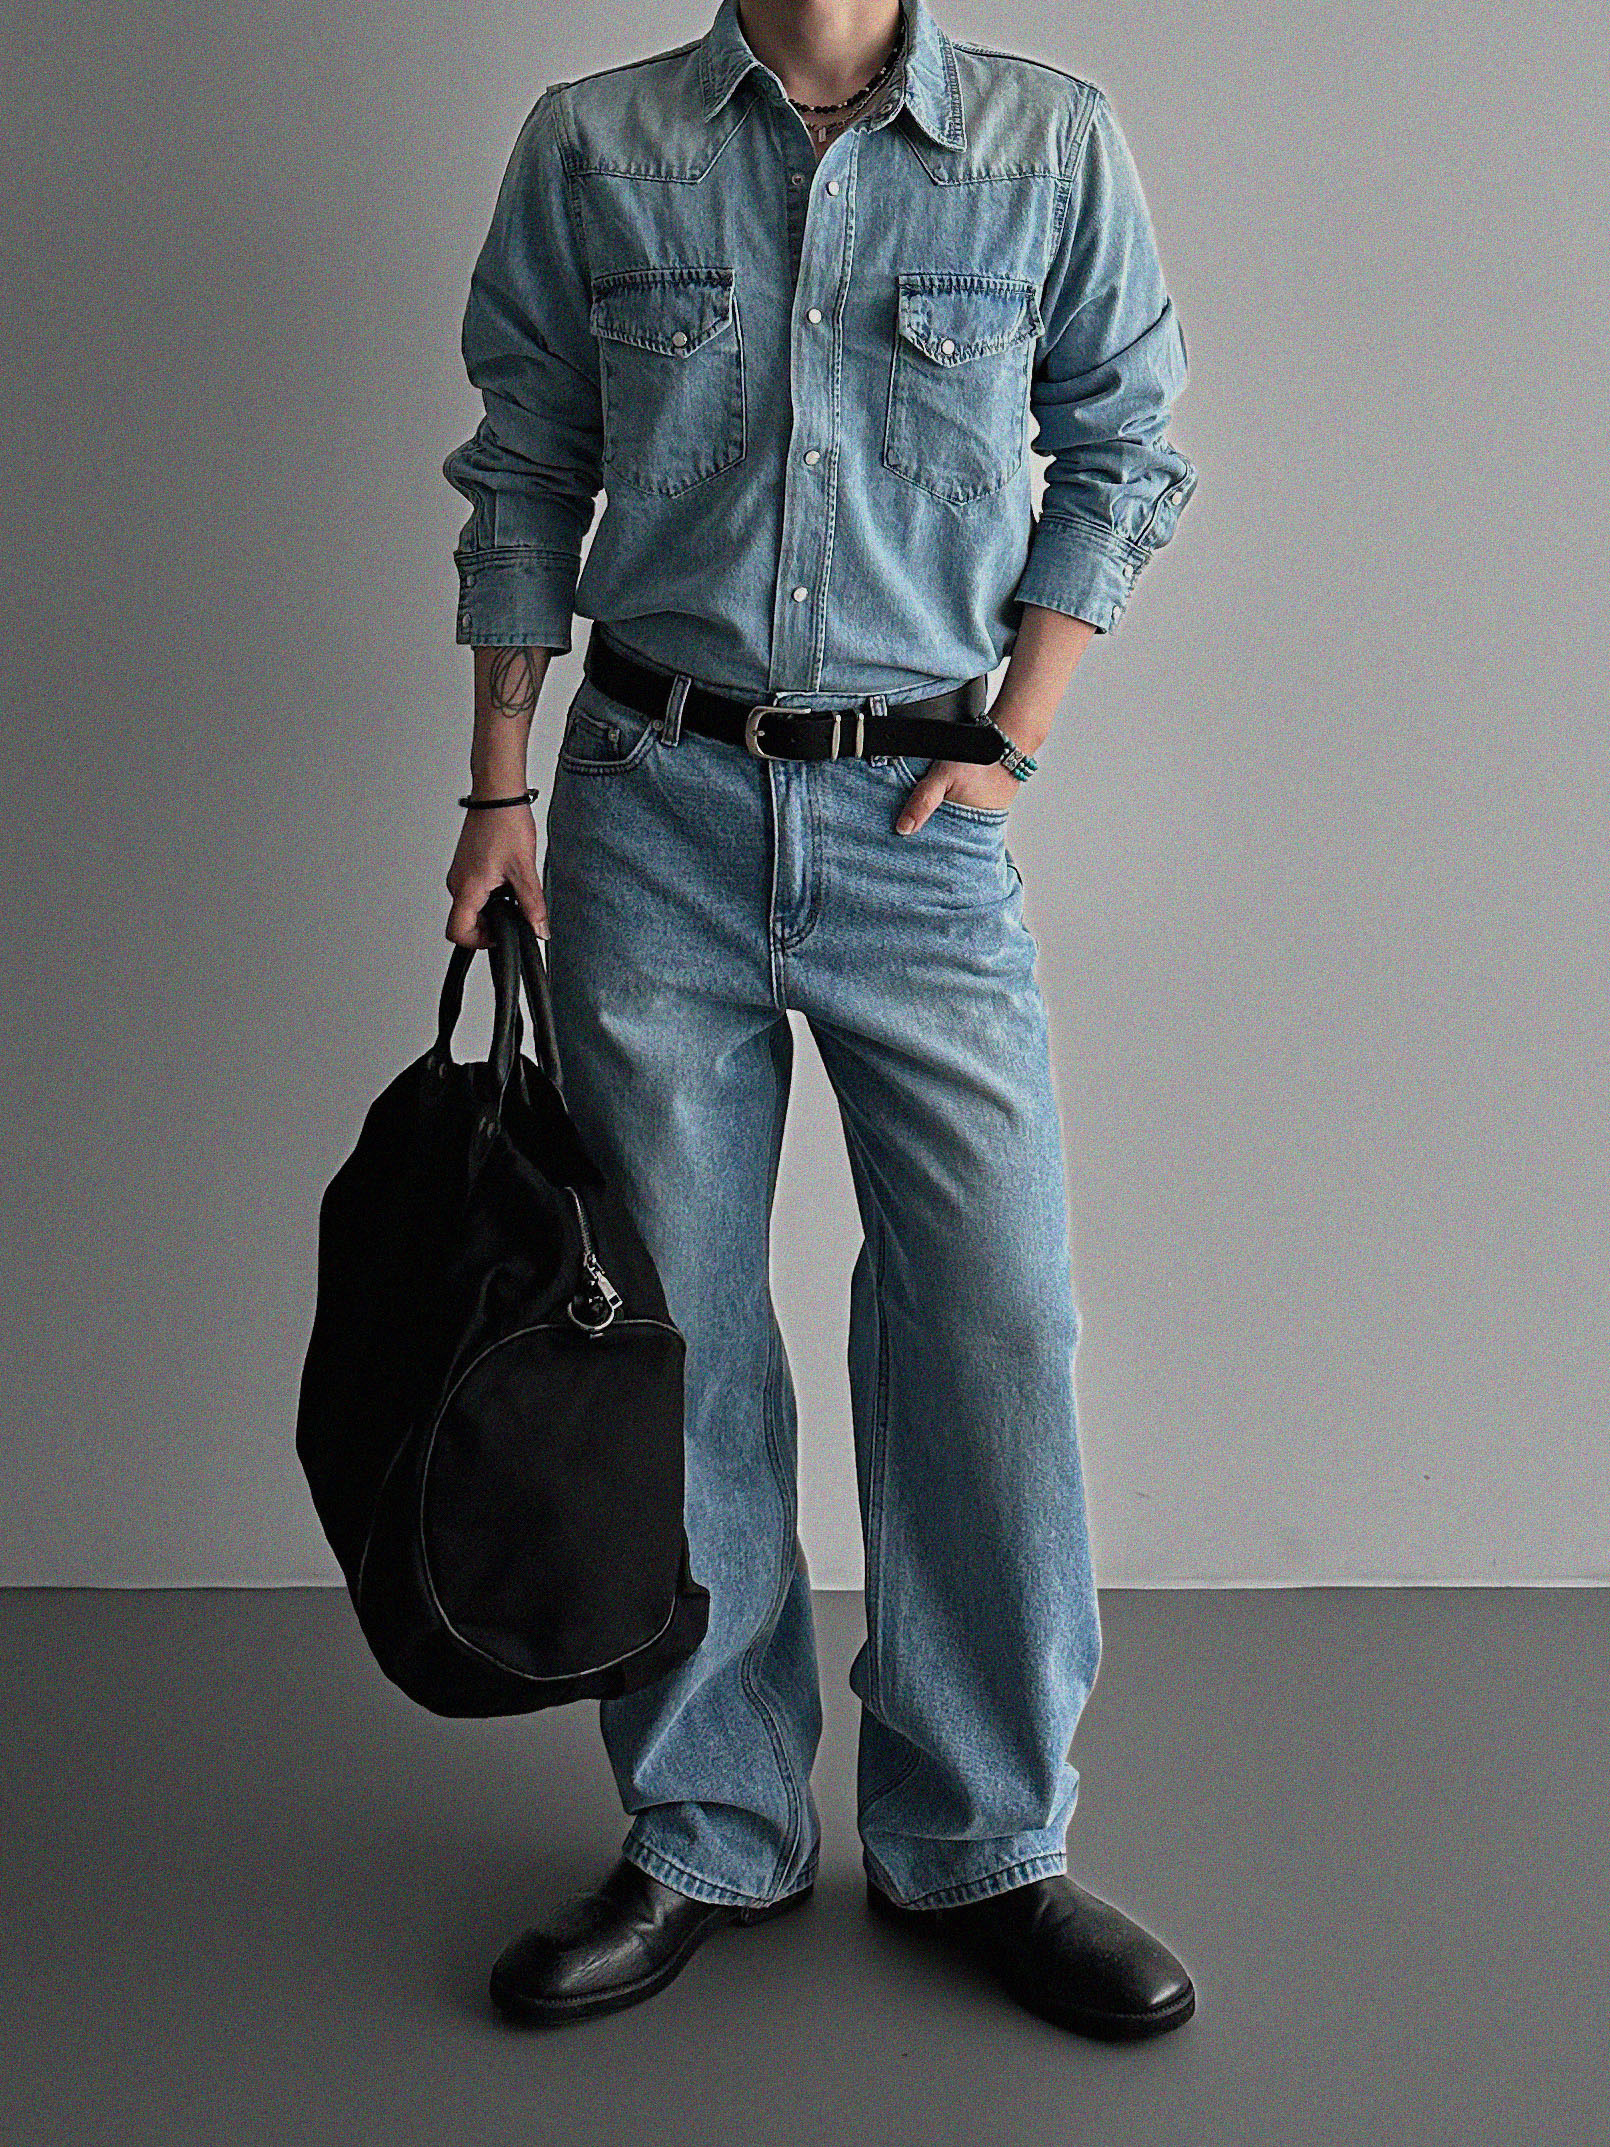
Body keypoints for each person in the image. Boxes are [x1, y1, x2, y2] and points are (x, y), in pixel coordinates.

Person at [441, 0, 1199, 2040]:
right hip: (650, 810)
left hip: (916, 828)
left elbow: (1125, 445)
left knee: (992, 1320)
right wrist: (496, 789)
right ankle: (706, 1825)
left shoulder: (1047, 141)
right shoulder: (596, 142)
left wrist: (1014, 734)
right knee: (672, 1327)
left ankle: (982, 1842)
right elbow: (526, 464)